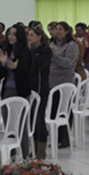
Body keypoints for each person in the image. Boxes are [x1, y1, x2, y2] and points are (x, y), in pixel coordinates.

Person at [27, 25, 52, 159]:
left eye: (31, 35)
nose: (29, 38)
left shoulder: (46, 51)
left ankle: (42, 150)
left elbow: (38, 64)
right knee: (31, 119)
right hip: (30, 88)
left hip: (41, 89)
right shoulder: (29, 50)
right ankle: (34, 148)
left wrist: (29, 54)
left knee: (39, 119)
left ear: (39, 37)